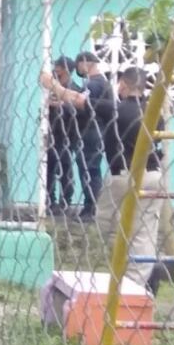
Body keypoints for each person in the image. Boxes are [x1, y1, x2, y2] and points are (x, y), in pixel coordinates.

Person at [96, 68, 165, 291]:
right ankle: (137, 282)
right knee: (144, 232)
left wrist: (55, 87)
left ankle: (127, 283)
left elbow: (79, 101)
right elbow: (160, 149)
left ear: (123, 84)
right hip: (153, 174)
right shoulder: (156, 115)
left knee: (108, 223)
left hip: (123, 176)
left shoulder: (115, 109)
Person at [39, 51, 114, 222]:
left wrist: (58, 99)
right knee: (88, 170)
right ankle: (89, 208)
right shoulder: (97, 83)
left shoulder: (93, 85)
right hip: (88, 132)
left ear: (85, 63)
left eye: (79, 63)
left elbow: (80, 104)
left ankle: (90, 209)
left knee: (88, 170)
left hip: (87, 133)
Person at [45, 56, 79, 215]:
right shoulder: (51, 89)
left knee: (65, 169)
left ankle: (65, 202)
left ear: (64, 69)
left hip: (66, 135)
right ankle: (49, 201)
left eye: (57, 67)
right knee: (48, 169)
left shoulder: (74, 89)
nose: (54, 70)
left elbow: (76, 111)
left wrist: (59, 104)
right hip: (51, 133)